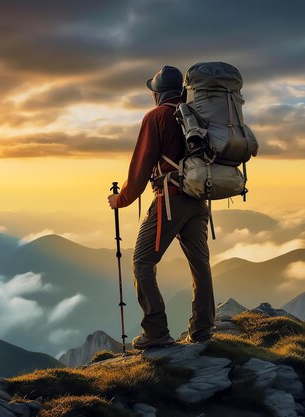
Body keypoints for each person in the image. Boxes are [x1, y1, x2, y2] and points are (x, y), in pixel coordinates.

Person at [107, 65, 215, 350]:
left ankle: (156, 333)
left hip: (170, 200)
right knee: (200, 264)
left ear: (157, 94)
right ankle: (203, 330)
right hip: (199, 199)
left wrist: (122, 199)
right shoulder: (196, 113)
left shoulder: (156, 117)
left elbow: (141, 168)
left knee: (142, 262)